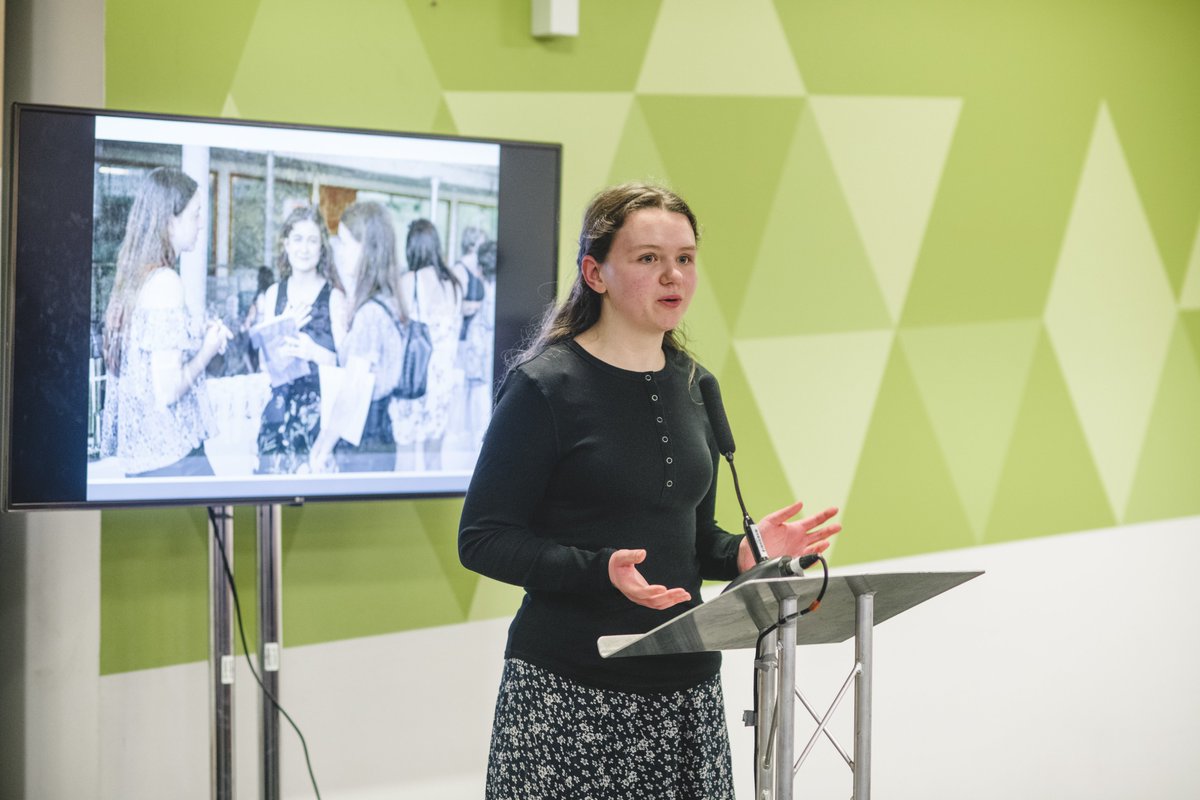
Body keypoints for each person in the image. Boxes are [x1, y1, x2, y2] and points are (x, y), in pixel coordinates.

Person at [458, 183, 841, 799]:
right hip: (570, 694)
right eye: (648, 258)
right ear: (595, 272)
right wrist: (597, 569)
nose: (673, 276)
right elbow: (482, 539)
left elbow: (688, 539)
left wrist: (740, 553)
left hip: (685, 694)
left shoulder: (696, 384)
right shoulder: (544, 387)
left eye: (685, 258)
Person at [100, 166, 232, 476]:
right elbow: (168, 390)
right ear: (170, 221)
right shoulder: (166, 283)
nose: (201, 225)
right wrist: (208, 349)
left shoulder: (137, 279)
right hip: (175, 461)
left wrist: (192, 335)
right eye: (196, 214)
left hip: (144, 463)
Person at [308, 201, 406, 473]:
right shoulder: (387, 301)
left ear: (365, 248)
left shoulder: (371, 314)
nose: (338, 250)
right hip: (379, 436)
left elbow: (353, 390)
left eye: (344, 241)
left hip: (363, 442)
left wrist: (322, 447)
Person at [253, 206, 345, 473]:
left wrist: (312, 351)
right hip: (277, 412)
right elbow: (263, 365)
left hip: (318, 419)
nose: (304, 248)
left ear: (321, 248)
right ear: (286, 244)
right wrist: (282, 333)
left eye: (312, 240)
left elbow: (347, 367)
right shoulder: (273, 294)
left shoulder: (335, 298)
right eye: (298, 239)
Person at [391, 218, 468, 471]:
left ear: (411, 248)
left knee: (406, 452)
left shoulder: (408, 281)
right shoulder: (454, 285)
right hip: (443, 381)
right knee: (435, 455)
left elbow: (396, 330)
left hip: (415, 378)